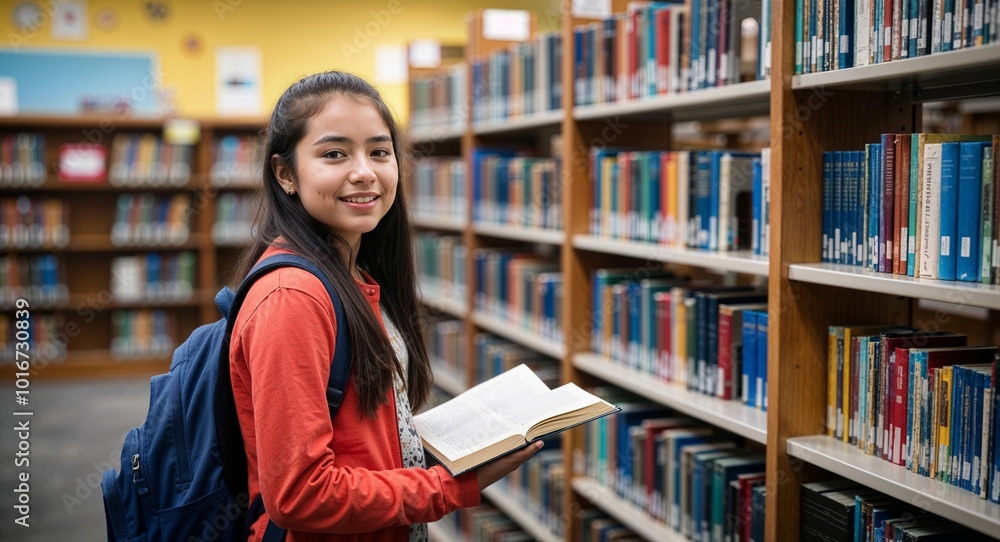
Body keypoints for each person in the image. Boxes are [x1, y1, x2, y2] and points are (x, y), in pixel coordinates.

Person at [228, 71, 542, 541]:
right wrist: (449, 486)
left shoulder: (355, 274)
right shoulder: (292, 298)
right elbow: (299, 494)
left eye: (379, 151)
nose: (364, 172)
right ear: (285, 174)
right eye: (334, 154)